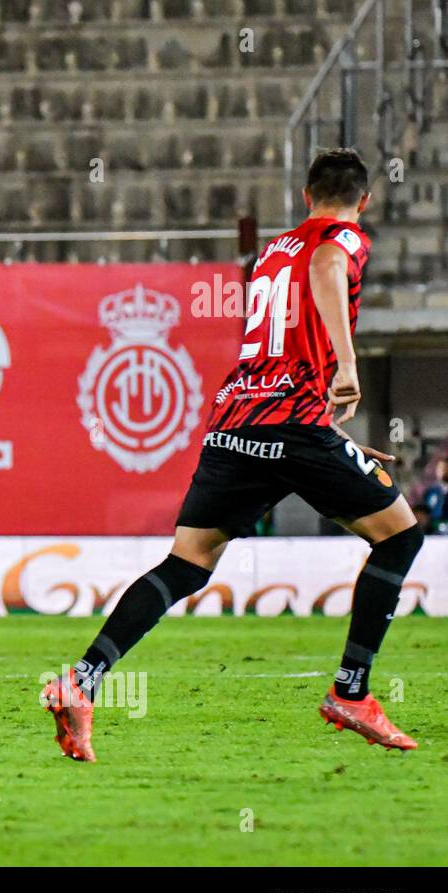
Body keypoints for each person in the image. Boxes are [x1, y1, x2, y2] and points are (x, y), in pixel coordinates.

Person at [41, 148, 423, 761]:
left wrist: (332, 438)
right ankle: (351, 693)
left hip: (239, 420)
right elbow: (328, 268)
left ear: (304, 195)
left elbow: (280, 353)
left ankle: (80, 683)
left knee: (186, 564)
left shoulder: (273, 251)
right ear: (364, 200)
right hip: (292, 428)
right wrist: (346, 370)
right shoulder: (344, 238)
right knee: (400, 538)